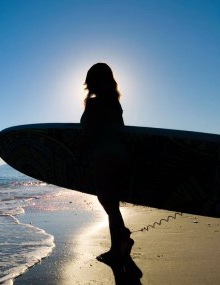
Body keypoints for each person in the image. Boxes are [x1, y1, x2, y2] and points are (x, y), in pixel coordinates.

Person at [76, 63, 134, 264]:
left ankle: (122, 239)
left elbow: (88, 134)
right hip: (120, 156)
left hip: (103, 157)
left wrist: (77, 155)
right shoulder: (115, 103)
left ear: (91, 81)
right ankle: (117, 245)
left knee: (108, 202)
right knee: (111, 202)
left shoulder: (94, 104)